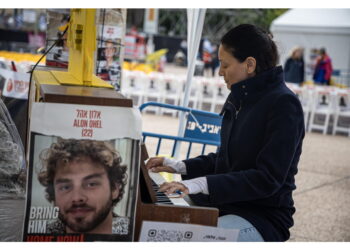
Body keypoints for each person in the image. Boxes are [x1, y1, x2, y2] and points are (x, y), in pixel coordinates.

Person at [146, 24, 305, 242]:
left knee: (188, 239)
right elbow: (225, 160)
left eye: (225, 64)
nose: (220, 72)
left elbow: (267, 178)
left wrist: (196, 184)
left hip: (261, 216)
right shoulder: (239, 98)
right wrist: (179, 165)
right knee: (163, 225)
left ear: (249, 64)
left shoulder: (284, 104)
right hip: (224, 204)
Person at [38, 138, 128, 235]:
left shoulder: (134, 232)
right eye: (65, 187)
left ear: (114, 189)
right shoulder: (42, 234)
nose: (77, 198)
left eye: (91, 184)